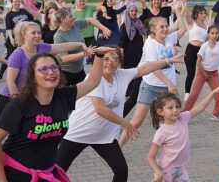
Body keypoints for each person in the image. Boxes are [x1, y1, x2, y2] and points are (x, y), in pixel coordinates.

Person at [0, 21, 92, 180]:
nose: (37, 35)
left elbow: (61, 47)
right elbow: (10, 81)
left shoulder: (42, 49)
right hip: (11, 98)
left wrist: (80, 43)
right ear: (24, 35)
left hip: (30, 98)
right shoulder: (18, 54)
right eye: (33, 33)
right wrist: (17, 102)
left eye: (38, 32)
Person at [0, 46, 114, 181]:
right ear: (33, 76)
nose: (51, 72)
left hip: (45, 173)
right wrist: (1, 178)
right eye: (43, 69)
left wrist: (99, 56)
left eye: (54, 68)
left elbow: (92, 82)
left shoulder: (63, 96)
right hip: (15, 173)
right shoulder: (19, 105)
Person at [56, 47, 183, 182]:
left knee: (121, 170)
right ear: (98, 61)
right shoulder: (93, 78)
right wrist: (126, 123)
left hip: (104, 136)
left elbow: (145, 68)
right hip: (79, 133)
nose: (110, 62)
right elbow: (100, 109)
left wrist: (168, 60)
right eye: (106, 59)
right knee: (57, 171)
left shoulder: (122, 75)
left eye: (115, 59)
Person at [119, 1, 186, 147]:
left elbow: (182, 29)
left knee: (170, 119)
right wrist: (170, 84)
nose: (166, 29)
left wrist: (177, 11)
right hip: (151, 86)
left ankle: (169, 147)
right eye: (162, 27)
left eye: (166, 26)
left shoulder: (168, 38)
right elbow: (153, 68)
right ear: (153, 29)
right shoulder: (150, 44)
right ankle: (119, 146)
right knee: (136, 121)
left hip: (166, 89)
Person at [147, 82, 219, 181]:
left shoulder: (183, 118)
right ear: (161, 112)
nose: (175, 110)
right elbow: (150, 157)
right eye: (170, 108)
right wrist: (157, 172)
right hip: (166, 170)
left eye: (177, 107)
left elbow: (200, 108)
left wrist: (213, 93)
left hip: (180, 168)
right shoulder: (161, 132)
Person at [54, 7, 111, 85]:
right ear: (63, 20)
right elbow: (65, 58)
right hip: (66, 73)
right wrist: (84, 53)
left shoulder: (75, 25)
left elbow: (90, 20)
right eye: (70, 16)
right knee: (71, 95)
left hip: (79, 70)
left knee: (85, 94)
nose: (72, 18)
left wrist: (103, 28)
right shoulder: (58, 36)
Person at [0, 0, 34, 82]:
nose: (17, 3)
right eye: (15, 2)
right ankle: (0, 74)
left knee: (27, 56)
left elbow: (32, 19)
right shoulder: (9, 15)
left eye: (18, 1)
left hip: (25, 39)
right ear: (11, 3)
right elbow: (9, 28)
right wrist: (11, 39)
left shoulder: (24, 11)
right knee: (9, 56)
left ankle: (26, 75)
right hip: (14, 39)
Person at [118, 4, 146, 117]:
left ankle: (135, 92)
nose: (134, 13)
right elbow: (121, 44)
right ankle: (128, 93)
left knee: (137, 73)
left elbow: (144, 37)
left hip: (139, 53)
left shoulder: (140, 24)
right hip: (128, 54)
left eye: (135, 11)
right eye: (132, 11)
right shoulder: (124, 26)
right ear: (128, 13)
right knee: (128, 73)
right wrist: (121, 57)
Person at [183, 5, 208, 102]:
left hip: (201, 50)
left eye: (204, 13)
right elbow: (186, 13)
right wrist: (184, 3)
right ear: (196, 14)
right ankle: (187, 93)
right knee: (191, 73)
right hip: (191, 49)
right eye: (201, 13)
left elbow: (207, 40)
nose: (203, 15)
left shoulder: (206, 26)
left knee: (207, 72)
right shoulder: (192, 23)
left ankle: (217, 91)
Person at [73, 0, 96, 64]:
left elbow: (101, 7)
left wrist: (104, 12)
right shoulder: (73, 14)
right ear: (76, 3)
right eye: (80, 1)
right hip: (79, 39)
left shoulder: (90, 8)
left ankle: (95, 71)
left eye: (83, 0)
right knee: (79, 58)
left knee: (95, 55)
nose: (82, 2)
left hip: (90, 37)